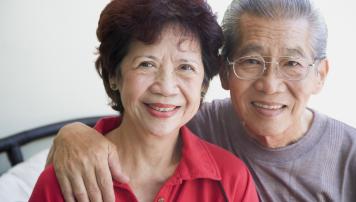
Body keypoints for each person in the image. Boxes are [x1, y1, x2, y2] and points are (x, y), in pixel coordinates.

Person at [47, 0, 356, 201]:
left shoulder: (352, 155)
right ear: (223, 73)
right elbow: (136, 124)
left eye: (292, 64)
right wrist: (71, 134)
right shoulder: (189, 119)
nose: (269, 85)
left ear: (320, 74)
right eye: (251, 61)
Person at [29, 0, 259, 201]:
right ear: (113, 76)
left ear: (204, 84)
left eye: (185, 67)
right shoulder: (68, 177)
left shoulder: (232, 180)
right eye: (146, 64)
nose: (166, 87)